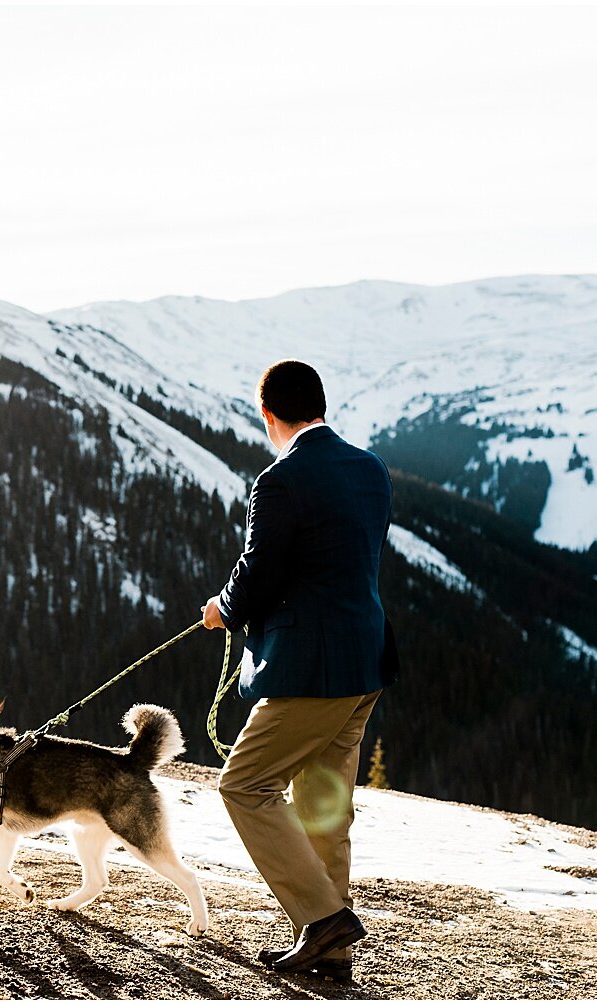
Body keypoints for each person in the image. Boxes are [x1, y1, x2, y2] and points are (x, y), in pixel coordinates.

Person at [200, 359, 395, 981]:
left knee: (244, 784)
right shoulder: (370, 469)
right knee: (323, 804)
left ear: (268, 416)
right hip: (365, 659)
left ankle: (322, 920)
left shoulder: (279, 480)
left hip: (310, 668)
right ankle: (329, 948)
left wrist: (221, 611)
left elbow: (259, 573)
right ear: (321, 405)